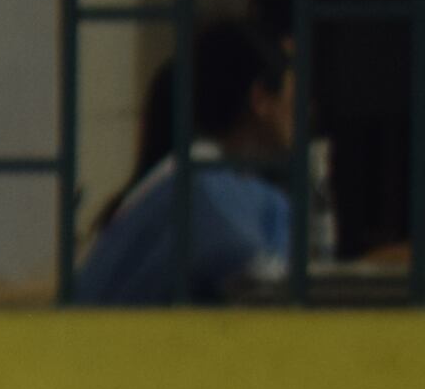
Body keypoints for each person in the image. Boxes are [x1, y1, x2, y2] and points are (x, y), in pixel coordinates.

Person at [66, 19, 300, 307]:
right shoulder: (210, 193)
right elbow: (271, 287)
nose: (303, 109)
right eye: (292, 95)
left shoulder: (185, 180)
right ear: (261, 100)